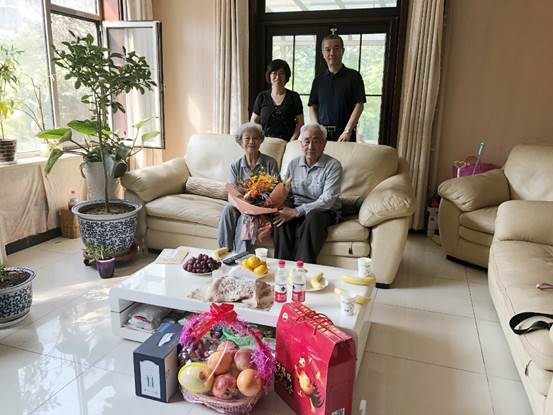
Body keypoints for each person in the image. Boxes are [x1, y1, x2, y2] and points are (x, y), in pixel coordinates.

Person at [272, 123, 342, 263]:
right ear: (301, 144)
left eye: (316, 141)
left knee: (313, 216)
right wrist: (279, 204)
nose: (310, 147)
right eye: (307, 141)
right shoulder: (293, 164)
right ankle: (282, 266)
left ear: (324, 144)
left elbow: (327, 200)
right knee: (280, 218)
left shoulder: (333, 166)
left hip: (324, 211)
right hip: (298, 207)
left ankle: (302, 268)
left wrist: (296, 212)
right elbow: (287, 192)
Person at [217, 122, 280, 253]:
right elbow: (233, 192)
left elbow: (276, 190)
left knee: (246, 217)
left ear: (261, 141)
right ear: (240, 142)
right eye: (247, 138)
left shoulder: (270, 163)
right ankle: (223, 253)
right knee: (228, 210)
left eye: (255, 138)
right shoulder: (235, 166)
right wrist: (244, 202)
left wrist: (253, 201)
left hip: (262, 208)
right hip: (241, 205)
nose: (251, 141)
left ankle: (242, 256)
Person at [308, 34, 366, 142]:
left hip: (345, 135)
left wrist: (347, 131)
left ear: (343, 51)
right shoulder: (318, 80)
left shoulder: (354, 76)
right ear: (323, 53)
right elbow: (312, 106)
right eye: (328, 49)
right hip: (322, 136)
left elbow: (359, 105)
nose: (332, 53)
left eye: (336, 48)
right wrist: (317, 129)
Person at [251, 59, 304, 141]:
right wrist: (259, 139)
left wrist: (291, 142)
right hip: (264, 143)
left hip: (287, 143)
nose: (278, 77)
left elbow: (300, 123)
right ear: (269, 75)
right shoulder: (262, 97)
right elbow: (253, 121)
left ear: (286, 76)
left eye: (281, 73)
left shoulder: (294, 97)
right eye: (274, 73)